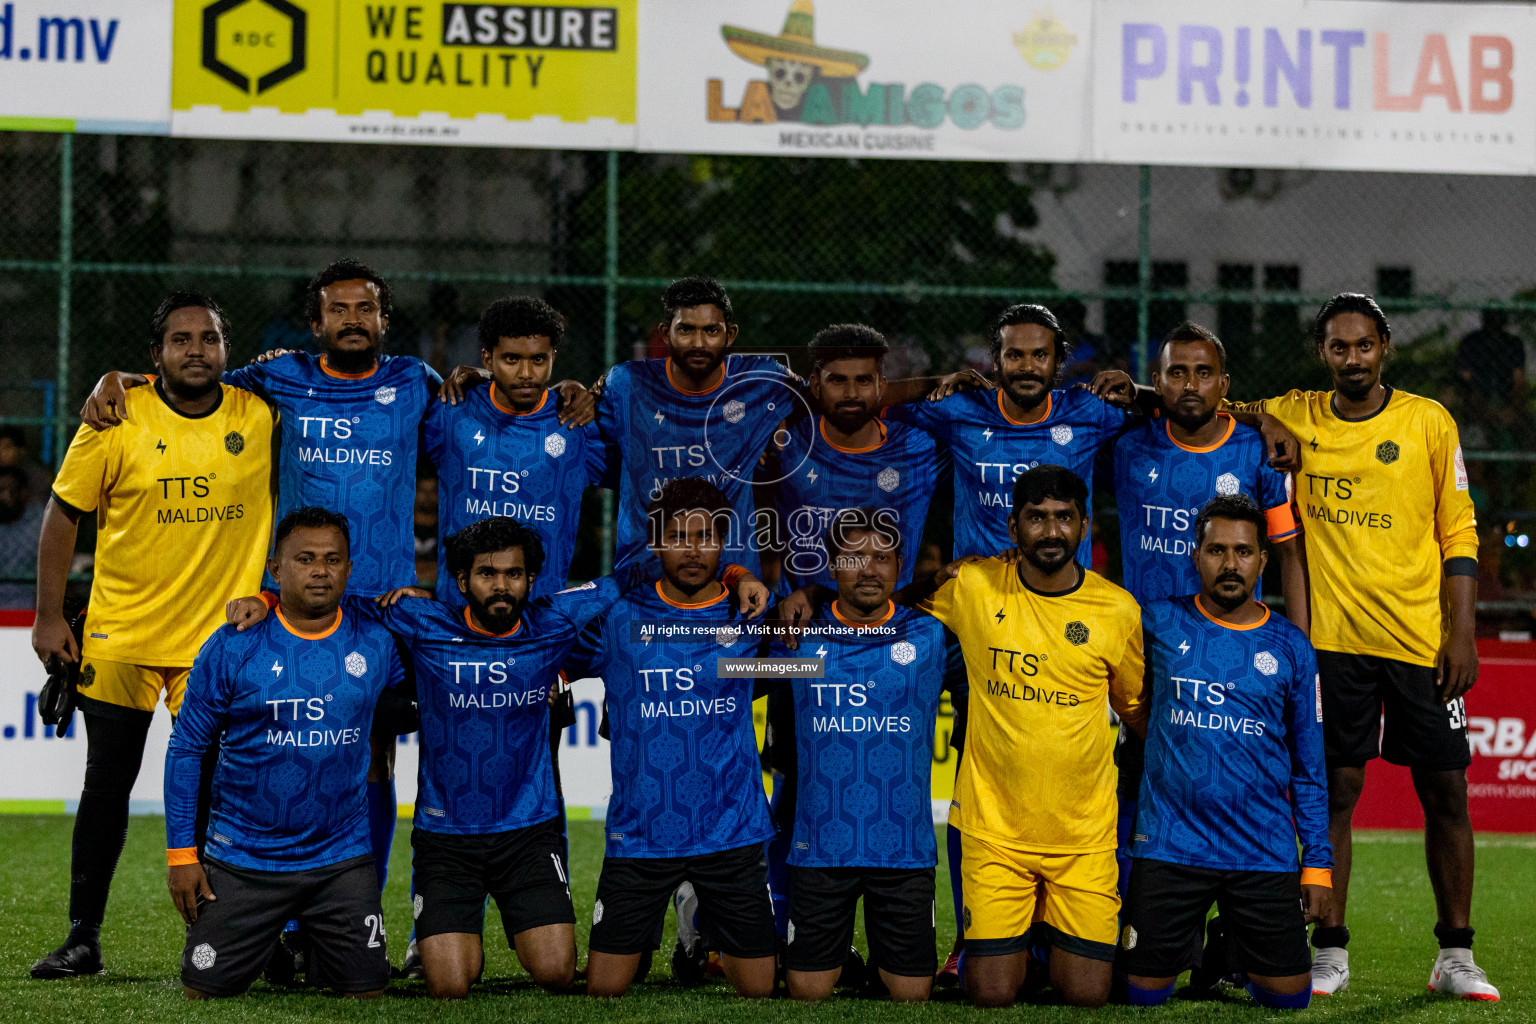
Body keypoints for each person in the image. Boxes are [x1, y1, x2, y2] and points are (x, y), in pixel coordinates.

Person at [1233, 293, 1495, 1000]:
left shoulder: (1427, 421)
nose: (1352, 357)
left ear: (1385, 347)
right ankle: (1331, 947)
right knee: (1335, 792)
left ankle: (1456, 955)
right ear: (1322, 353)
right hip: (1331, 645)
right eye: (1338, 346)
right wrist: (1265, 416)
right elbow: (1208, 401)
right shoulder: (1299, 409)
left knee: (1445, 791)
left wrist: (1462, 631)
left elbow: (1459, 533)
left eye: (1364, 344)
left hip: (1419, 642)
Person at [29, 293, 275, 979]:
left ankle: (236, 934)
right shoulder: (116, 416)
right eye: (180, 340)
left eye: (209, 338)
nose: (195, 350)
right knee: (106, 784)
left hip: (214, 645)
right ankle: (83, 937)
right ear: (154, 355)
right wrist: (49, 616)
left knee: (222, 794)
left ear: (228, 348)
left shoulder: (259, 412)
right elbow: (61, 515)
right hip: (121, 636)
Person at [909, 465, 1147, 1008]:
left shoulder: (1117, 609)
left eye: (1064, 518)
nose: (1051, 531)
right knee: (990, 994)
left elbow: (1136, 708)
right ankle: (1020, 944)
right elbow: (889, 607)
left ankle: (1043, 942)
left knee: (1088, 995)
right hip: (996, 832)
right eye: (1037, 518)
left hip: (1083, 838)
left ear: (1085, 526)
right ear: (1013, 526)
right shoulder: (972, 586)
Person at [594, 276, 979, 586]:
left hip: (731, 579)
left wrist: (934, 382)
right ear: (666, 332)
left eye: (710, 331)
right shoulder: (626, 384)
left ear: (730, 334)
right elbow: (594, 446)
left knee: (733, 675)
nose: (699, 342)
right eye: (686, 330)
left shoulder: (763, 380)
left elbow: (840, 394)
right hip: (642, 572)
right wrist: (574, 393)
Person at [164, 507, 403, 999]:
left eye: (333, 559)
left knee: (367, 993)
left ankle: (309, 945)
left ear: (349, 569)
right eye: (306, 559)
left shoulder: (377, 639)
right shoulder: (233, 645)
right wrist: (182, 855)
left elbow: (440, 673)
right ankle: (263, 939)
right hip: (244, 858)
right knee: (202, 993)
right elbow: (187, 746)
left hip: (341, 859)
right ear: (275, 569)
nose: (321, 570)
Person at [1110, 322, 1306, 913]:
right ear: (1157, 380)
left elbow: (1289, 551)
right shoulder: (1126, 443)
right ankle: (1134, 928)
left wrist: (1302, 646)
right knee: (1136, 788)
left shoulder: (1258, 451)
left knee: (1239, 788)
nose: (1190, 384)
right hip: (1147, 654)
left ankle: (1236, 935)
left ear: (1225, 383)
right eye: (1176, 372)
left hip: (1238, 653)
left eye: (1203, 373)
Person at [563, 478, 780, 999]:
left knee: (760, 991)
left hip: (732, 831)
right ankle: (686, 913)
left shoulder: (752, 615)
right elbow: (546, 639)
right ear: (655, 542)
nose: (692, 549)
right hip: (642, 834)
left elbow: (813, 654)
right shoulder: (618, 617)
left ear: (724, 542)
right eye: (678, 536)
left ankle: (699, 924)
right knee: (604, 990)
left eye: (705, 537)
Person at [1121, 494, 1330, 1010]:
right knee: (1137, 995)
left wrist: (1318, 867)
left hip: (1261, 848)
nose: (1230, 564)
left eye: (1243, 551)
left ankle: (1223, 947)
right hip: (1170, 843)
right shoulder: (1157, 623)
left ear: (1263, 559)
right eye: (1216, 550)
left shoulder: (1291, 646)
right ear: (1196, 555)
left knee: (1288, 1001)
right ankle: (1192, 943)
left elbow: (1309, 767)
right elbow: (1122, 694)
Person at [768, 507, 948, 1002]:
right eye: (853, 557)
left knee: (912, 995)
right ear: (830, 565)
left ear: (899, 566)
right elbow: (728, 675)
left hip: (903, 850)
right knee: (806, 992)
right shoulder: (797, 637)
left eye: (882, 557)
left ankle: (884, 963)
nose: (868, 569)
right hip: (822, 847)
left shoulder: (932, 635)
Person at [425, 297, 611, 603]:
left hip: (540, 617)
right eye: (511, 359)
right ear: (488, 359)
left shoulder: (576, 422)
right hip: (458, 613)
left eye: (538, 360)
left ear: (553, 356)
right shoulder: (452, 411)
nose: (526, 373)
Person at [768, 324, 941, 593]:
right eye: (837, 380)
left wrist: (938, 382)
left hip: (886, 625)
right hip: (804, 625)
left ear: (882, 386)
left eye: (863, 381)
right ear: (815, 385)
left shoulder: (920, 447)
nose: (851, 393)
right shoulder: (785, 443)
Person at [0, 465, 44, 607]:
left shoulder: (40, 521)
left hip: (32, 608)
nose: (4, 496)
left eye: (10, 490)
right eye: (0, 490)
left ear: (23, 492)